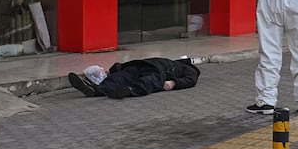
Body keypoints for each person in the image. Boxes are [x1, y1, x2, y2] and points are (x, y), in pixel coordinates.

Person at [68, 57, 200, 99]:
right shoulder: (171, 61)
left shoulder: (189, 68)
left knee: (145, 81)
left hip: (157, 71)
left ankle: (127, 90)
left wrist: (173, 83)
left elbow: (191, 80)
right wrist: (114, 70)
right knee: (120, 77)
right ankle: (96, 90)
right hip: (145, 66)